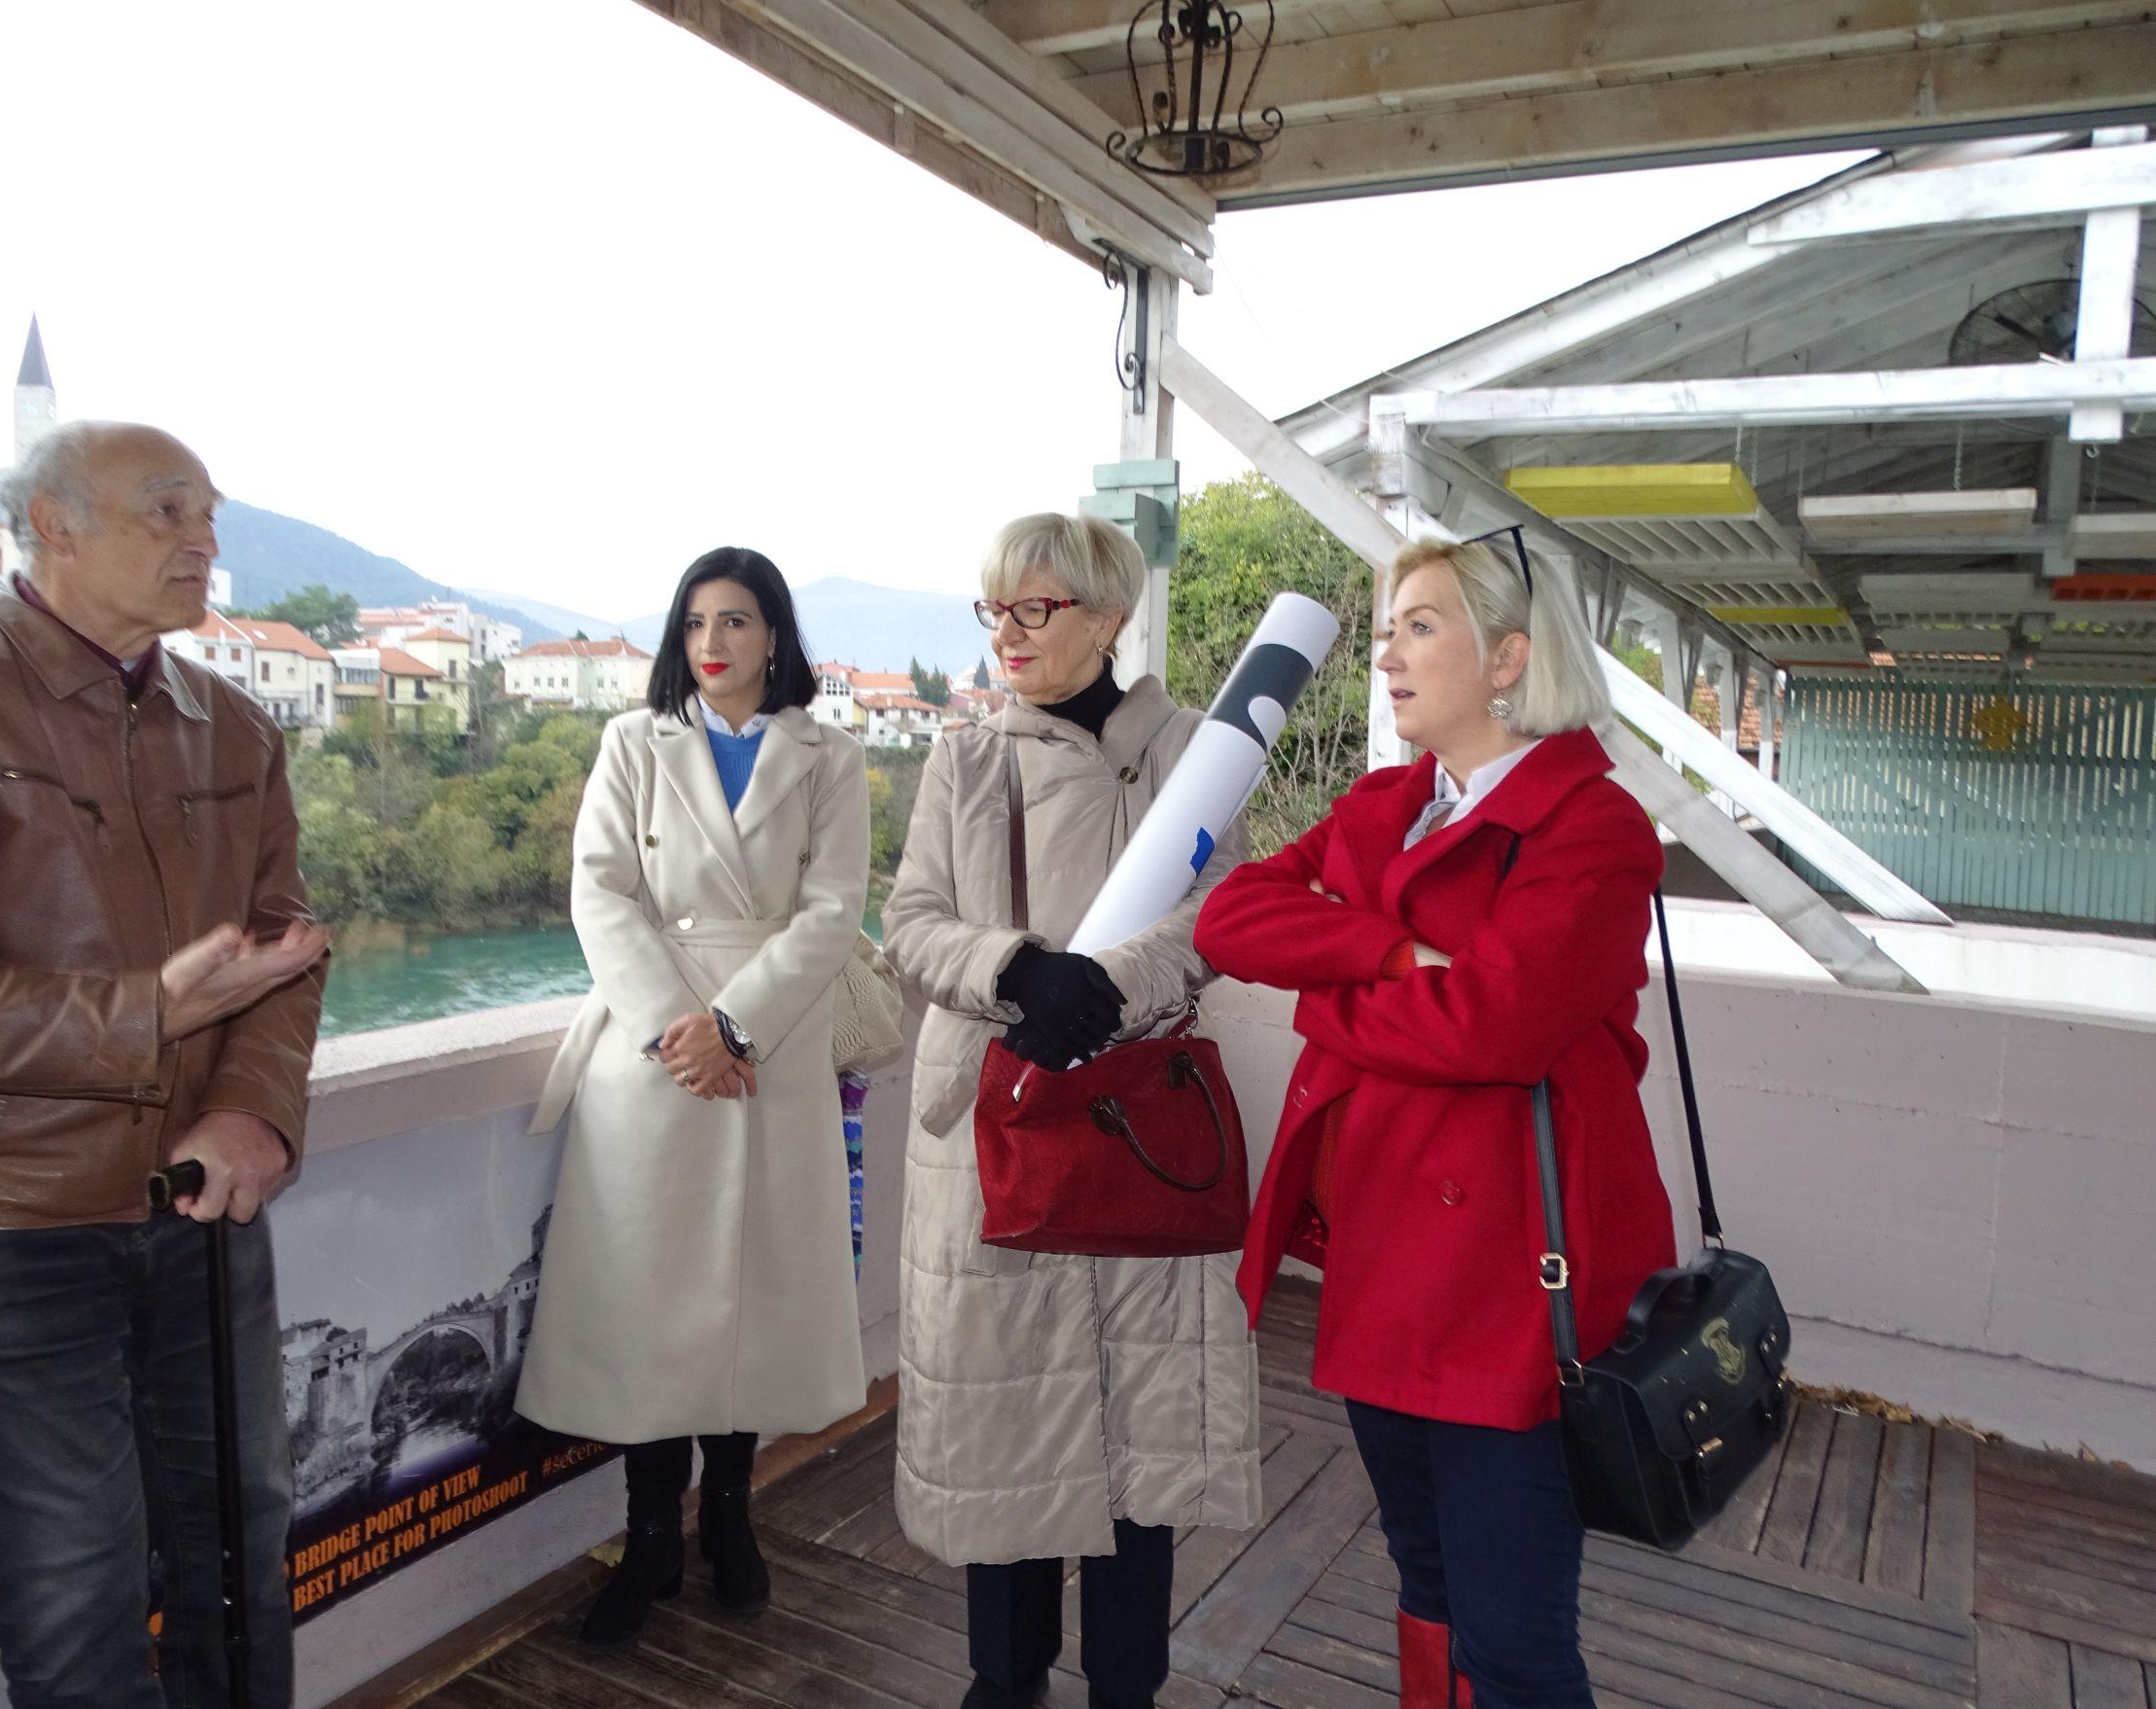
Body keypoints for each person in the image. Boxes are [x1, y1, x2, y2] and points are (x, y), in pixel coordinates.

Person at [0, 419, 331, 1709]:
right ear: (55, 524)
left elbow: (285, 948)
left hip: (201, 1210)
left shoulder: (232, 721)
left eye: (209, 513)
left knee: (240, 1574)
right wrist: (146, 1010)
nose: (203, 539)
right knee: (80, 1625)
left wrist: (253, 1110)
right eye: (167, 510)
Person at [1194, 532, 1676, 1709]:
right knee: (1425, 1577)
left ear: (1508, 657)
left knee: (1511, 1632)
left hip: (1513, 1280)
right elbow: (1229, 918)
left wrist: (1337, 998)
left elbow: (1487, 1031)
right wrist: (1392, 952)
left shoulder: (1594, 831)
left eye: (1419, 627)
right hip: (1380, 1257)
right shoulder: (1383, 805)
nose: (1386, 658)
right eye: (1385, 630)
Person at [884, 513, 1262, 1709]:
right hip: (996, 1122)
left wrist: (1107, 990)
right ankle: (1005, 1680)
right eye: (992, 609)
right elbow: (909, 923)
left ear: (1105, 618)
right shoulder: (965, 757)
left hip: (1134, 1119)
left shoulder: (1195, 750)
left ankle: (1125, 1685)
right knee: (1008, 1431)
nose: (1006, 632)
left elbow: (1215, 916)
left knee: (1134, 1438)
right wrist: (1017, 970)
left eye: (1032, 609)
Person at [516, 546, 870, 1651]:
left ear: (775, 637)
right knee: (645, 1302)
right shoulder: (632, 744)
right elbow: (599, 890)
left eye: (736, 621)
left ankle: (730, 1515)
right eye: (695, 624)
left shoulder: (830, 755)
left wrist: (734, 1025)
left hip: (771, 1045)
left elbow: (833, 909)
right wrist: (684, 1030)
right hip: (652, 1051)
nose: (712, 644)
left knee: (753, 1290)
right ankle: (649, 1538)